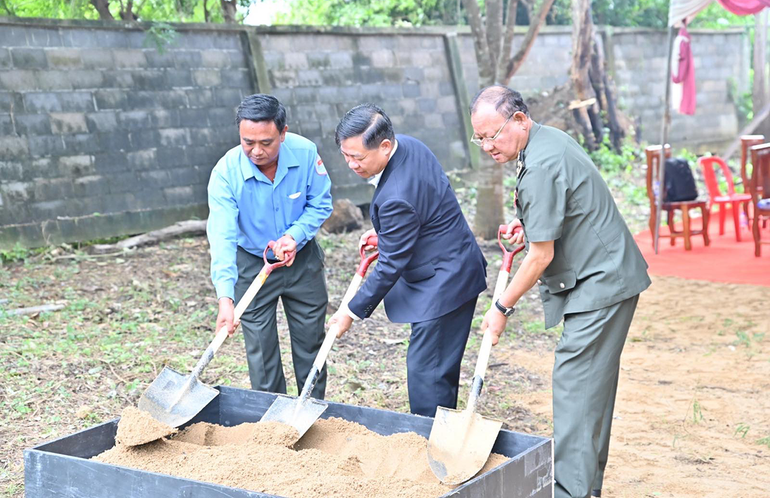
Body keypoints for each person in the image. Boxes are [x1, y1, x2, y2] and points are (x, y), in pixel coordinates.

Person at [469, 85, 651, 498]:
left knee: (576, 388)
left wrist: (501, 308)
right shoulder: (546, 139)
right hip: (604, 275)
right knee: (589, 391)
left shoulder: (541, 165)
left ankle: (571, 491)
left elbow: (540, 256)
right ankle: (585, 488)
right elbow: (559, 209)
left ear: (519, 119)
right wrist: (528, 224)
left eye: (492, 135)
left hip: (601, 283)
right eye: (479, 139)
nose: (487, 146)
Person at [327, 103, 488, 418]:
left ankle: (430, 438)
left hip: (443, 283)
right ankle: (437, 428)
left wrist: (349, 312)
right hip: (456, 260)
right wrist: (387, 233)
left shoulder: (396, 196)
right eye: (345, 155)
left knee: (428, 373)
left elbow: (389, 265)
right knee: (434, 367)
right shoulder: (411, 146)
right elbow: (424, 205)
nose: (351, 164)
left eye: (358, 157)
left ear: (385, 146)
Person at [207, 94, 333, 399]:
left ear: (283, 133)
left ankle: (311, 408)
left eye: (266, 142)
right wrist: (225, 297)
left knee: (311, 342)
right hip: (252, 263)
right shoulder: (226, 173)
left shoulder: (305, 154)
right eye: (247, 142)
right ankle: (271, 417)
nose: (256, 151)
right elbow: (222, 236)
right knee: (261, 351)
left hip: (301, 261)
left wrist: (295, 236)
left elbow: (320, 203)